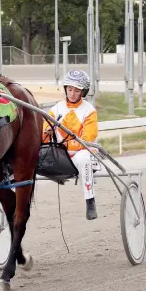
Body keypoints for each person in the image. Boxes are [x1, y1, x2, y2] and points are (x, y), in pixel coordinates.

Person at [43, 70, 98, 220]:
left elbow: (87, 138)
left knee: (83, 158)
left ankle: (90, 200)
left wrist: (69, 144)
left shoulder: (89, 111)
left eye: (77, 90)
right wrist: (47, 132)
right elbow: (43, 137)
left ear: (83, 92)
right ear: (65, 89)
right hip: (60, 155)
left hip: (80, 154)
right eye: (70, 89)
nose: (72, 93)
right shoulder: (56, 109)